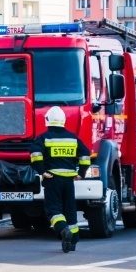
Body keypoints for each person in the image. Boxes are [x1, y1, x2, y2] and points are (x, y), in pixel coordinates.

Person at [29, 106, 91, 253]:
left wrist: (41, 171)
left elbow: (35, 154)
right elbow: (85, 154)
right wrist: (81, 172)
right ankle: (73, 240)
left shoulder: (44, 138)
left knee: (53, 209)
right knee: (70, 210)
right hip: (69, 181)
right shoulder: (73, 138)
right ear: (63, 120)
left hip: (52, 179)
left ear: (47, 120)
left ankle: (63, 229)